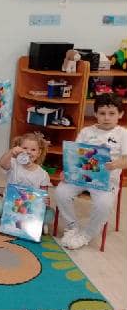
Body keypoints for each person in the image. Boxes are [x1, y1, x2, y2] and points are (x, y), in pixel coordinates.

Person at [56, 93, 127, 250]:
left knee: (104, 204)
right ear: (95, 114)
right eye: (102, 113)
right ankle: (72, 226)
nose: (106, 118)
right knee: (61, 192)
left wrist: (115, 164)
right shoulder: (86, 131)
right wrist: (67, 171)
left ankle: (86, 235)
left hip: (106, 180)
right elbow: (74, 154)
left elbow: (126, 160)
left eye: (112, 113)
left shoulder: (123, 134)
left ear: (120, 114)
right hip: (81, 176)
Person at [0, 132, 52, 233]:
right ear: (18, 149)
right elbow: (2, 163)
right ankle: (3, 220)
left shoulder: (43, 174)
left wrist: (45, 201)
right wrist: (11, 152)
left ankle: (39, 224)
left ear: (39, 153)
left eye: (33, 150)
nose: (28, 152)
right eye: (25, 148)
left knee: (49, 214)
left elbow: (44, 193)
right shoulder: (14, 164)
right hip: (11, 204)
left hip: (30, 208)